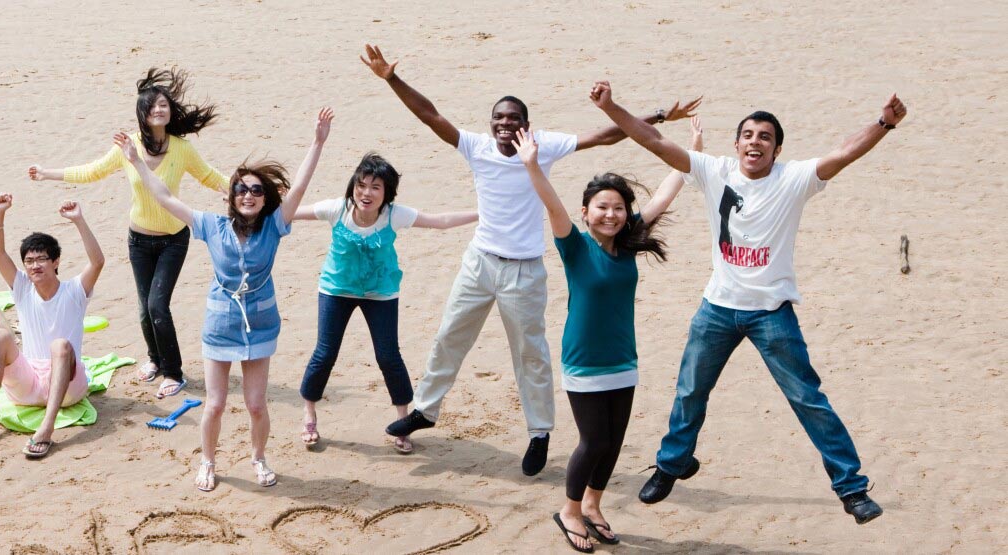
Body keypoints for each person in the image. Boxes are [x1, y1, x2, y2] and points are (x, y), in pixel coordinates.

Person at [359, 42, 700, 475]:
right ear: (491, 124)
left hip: (524, 270)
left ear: (525, 125)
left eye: (514, 119)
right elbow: (430, 115)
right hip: (480, 261)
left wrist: (658, 116)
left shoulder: (543, 146)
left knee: (531, 354)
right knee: (450, 336)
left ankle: (539, 433)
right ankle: (425, 410)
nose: (505, 124)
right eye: (499, 118)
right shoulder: (475, 146)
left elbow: (604, 136)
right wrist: (391, 78)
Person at [590, 80, 905, 524]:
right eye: (749, 135)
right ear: (737, 144)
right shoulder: (713, 171)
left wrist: (883, 123)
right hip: (717, 307)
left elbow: (844, 153)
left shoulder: (794, 179)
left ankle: (851, 488)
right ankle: (671, 464)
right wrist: (611, 107)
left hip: (771, 312)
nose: (756, 142)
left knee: (808, 399)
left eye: (766, 137)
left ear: (776, 150)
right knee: (690, 390)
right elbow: (655, 141)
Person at [121, 108, 332, 491]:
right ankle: (207, 461)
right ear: (230, 197)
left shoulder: (274, 226)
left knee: (255, 404)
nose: (247, 195)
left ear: (263, 198)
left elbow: (299, 189)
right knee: (215, 404)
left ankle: (259, 458)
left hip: (261, 323)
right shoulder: (211, 226)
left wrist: (317, 143)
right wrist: (137, 162)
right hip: (220, 324)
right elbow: (166, 197)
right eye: (240, 189)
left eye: (255, 190)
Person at [515, 122, 692, 551]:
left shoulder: (628, 242)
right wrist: (532, 165)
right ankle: (570, 510)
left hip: (623, 359)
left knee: (613, 443)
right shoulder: (574, 244)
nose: (610, 215)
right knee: (592, 441)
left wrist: (691, 157)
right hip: (584, 359)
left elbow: (666, 194)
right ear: (586, 212)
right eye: (601, 208)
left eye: (617, 208)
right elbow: (551, 202)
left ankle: (593, 505)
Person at [27, 68, 229, 399]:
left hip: (173, 240)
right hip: (139, 240)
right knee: (143, 308)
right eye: (152, 107)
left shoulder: (181, 148)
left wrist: (238, 190)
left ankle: (174, 372)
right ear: (142, 114)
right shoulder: (128, 147)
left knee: (158, 305)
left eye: (163, 105)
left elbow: (208, 176)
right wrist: (49, 173)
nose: (159, 111)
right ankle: (155, 360)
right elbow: (93, 171)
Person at [291, 153, 478, 453]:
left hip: (381, 293)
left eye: (375, 187)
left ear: (386, 193)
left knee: (388, 356)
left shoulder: (394, 215)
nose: (366, 193)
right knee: (324, 354)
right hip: (336, 290)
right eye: (361, 185)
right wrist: (253, 208)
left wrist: (484, 213)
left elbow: (440, 221)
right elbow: (290, 213)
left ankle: (403, 421)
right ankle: (309, 413)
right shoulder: (336, 209)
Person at [0, 195, 106, 459]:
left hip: (67, 385)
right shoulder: (23, 288)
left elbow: (97, 262)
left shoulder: (74, 290)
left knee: (60, 346)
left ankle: (46, 429)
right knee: (0, 336)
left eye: (41, 259)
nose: (35, 266)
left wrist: (78, 220)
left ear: (56, 261)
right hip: (28, 384)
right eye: (29, 261)